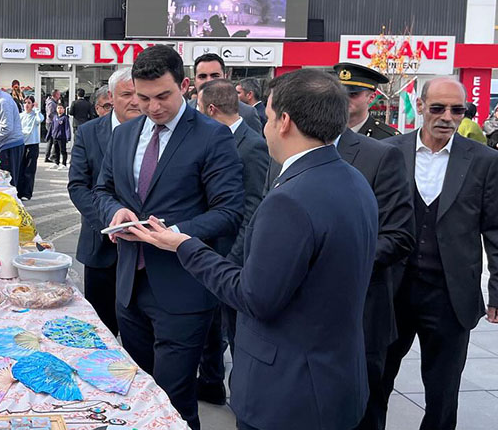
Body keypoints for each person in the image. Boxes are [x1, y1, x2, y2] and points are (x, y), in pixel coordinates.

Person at [127, 69, 377, 430]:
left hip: (288, 394)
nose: (264, 126)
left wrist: (184, 245)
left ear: (285, 121)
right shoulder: (351, 178)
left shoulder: (290, 199)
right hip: (337, 382)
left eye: (269, 117)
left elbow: (254, 296)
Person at [94, 45, 244, 429]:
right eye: (143, 98)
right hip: (129, 285)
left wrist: (174, 235)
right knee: (139, 394)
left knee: (173, 400)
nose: (153, 107)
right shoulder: (125, 134)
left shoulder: (213, 137)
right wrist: (115, 212)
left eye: (163, 96)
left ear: (185, 86)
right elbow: (103, 189)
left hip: (183, 288)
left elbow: (229, 211)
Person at [380, 77, 498, 430]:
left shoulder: (483, 161)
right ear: (420, 107)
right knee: (375, 382)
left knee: (442, 393)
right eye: (438, 108)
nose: (447, 116)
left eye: (457, 110)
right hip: (393, 290)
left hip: (450, 296)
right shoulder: (390, 152)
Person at [333, 64, 417, 430]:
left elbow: (398, 235)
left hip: (363, 299)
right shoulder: (303, 139)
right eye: (338, 92)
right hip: (309, 311)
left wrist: (338, 264)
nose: (345, 101)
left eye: (353, 94)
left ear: (370, 96)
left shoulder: (384, 146)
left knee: (364, 404)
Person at [193, 79, 270, 405]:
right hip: (211, 255)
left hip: (234, 261)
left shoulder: (251, 146)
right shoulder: (210, 140)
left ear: (210, 109)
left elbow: (251, 211)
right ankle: (211, 384)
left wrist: (231, 261)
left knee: (237, 337)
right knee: (211, 332)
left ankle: (245, 402)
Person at [70, 72, 141, 337]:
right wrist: (111, 225)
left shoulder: (154, 133)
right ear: (111, 97)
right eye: (126, 94)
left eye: (139, 93)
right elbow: (78, 186)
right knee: (102, 332)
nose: (135, 101)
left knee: (139, 334)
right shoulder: (89, 133)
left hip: (146, 251)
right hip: (101, 247)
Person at [190, 53, 261, 133]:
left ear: (225, 78)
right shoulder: (184, 110)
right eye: (202, 76)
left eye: (215, 76)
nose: (209, 81)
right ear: (195, 81)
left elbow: (255, 143)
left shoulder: (247, 113)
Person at [336, 62, 400, 140]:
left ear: (371, 98)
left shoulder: (388, 138)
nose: (345, 98)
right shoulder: (322, 132)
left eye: (352, 94)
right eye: (340, 93)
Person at [18, 96, 45, 200]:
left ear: (33, 104)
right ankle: (19, 191)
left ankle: (27, 193)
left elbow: (40, 119)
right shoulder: (21, 116)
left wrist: (37, 109)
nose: (27, 105)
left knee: (29, 169)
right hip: (22, 144)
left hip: (32, 144)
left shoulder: (35, 115)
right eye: (25, 103)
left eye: (29, 103)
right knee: (20, 168)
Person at [49, 104, 72, 170]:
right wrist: (50, 135)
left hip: (62, 137)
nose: (60, 109)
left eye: (61, 108)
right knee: (56, 150)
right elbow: (52, 127)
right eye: (58, 108)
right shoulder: (55, 117)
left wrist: (68, 136)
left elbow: (67, 128)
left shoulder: (65, 118)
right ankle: (56, 162)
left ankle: (64, 163)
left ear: (64, 109)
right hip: (55, 136)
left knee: (63, 150)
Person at [44, 90, 61, 162]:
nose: (60, 95)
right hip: (51, 124)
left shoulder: (53, 102)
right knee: (53, 140)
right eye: (59, 94)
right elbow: (50, 114)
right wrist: (57, 119)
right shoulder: (51, 103)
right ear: (56, 95)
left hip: (51, 123)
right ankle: (51, 156)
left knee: (51, 140)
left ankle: (49, 156)